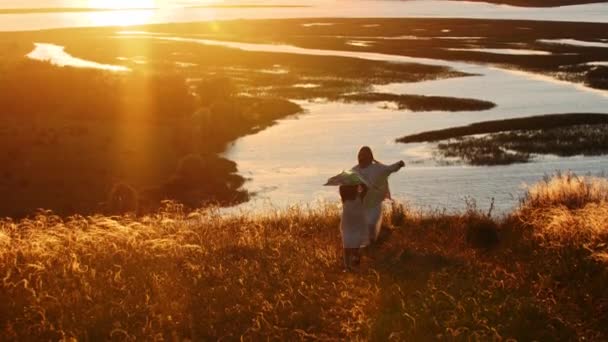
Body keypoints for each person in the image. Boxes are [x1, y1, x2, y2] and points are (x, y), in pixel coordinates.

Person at [352, 146, 405, 246]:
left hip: (375, 204)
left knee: (371, 224)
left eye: (364, 155)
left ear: (370, 157)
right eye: (360, 155)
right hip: (361, 205)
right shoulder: (354, 170)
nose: (361, 157)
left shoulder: (377, 168)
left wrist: (399, 164)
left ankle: (373, 243)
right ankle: (368, 245)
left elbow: (389, 169)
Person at [339, 184, 367, 271]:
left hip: (352, 224)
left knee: (350, 247)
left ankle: (350, 265)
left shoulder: (348, 198)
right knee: (350, 247)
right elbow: (365, 188)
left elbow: (365, 187)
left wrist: (356, 182)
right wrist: (357, 182)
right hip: (352, 224)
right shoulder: (356, 197)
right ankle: (349, 266)